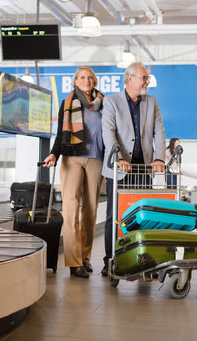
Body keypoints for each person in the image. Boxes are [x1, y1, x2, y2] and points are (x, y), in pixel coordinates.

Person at [101, 61, 166, 276]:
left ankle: (143, 259)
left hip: (142, 169)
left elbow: (159, 131)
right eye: (144, 78)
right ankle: (110, 259)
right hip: (119, 169)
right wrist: (118, 158)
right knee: (115, 216)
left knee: (143, 216)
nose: (147, 81)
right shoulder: (111, 102)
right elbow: (108, 133)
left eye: (147, 78)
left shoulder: (152, 102)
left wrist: (159, 158)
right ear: (130, 79)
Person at [43, 66, 104, 278]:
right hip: (72, 159)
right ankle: (73, 262)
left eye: (90, 77)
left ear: (94, 81)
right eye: (82, 77)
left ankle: (85, 258)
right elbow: (61, 133)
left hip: (96, 159)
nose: (86, 80)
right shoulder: (67, 103)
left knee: (91, 211)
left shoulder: (104, 104)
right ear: (75, 81)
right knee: (71, 210)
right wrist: (53, 154)